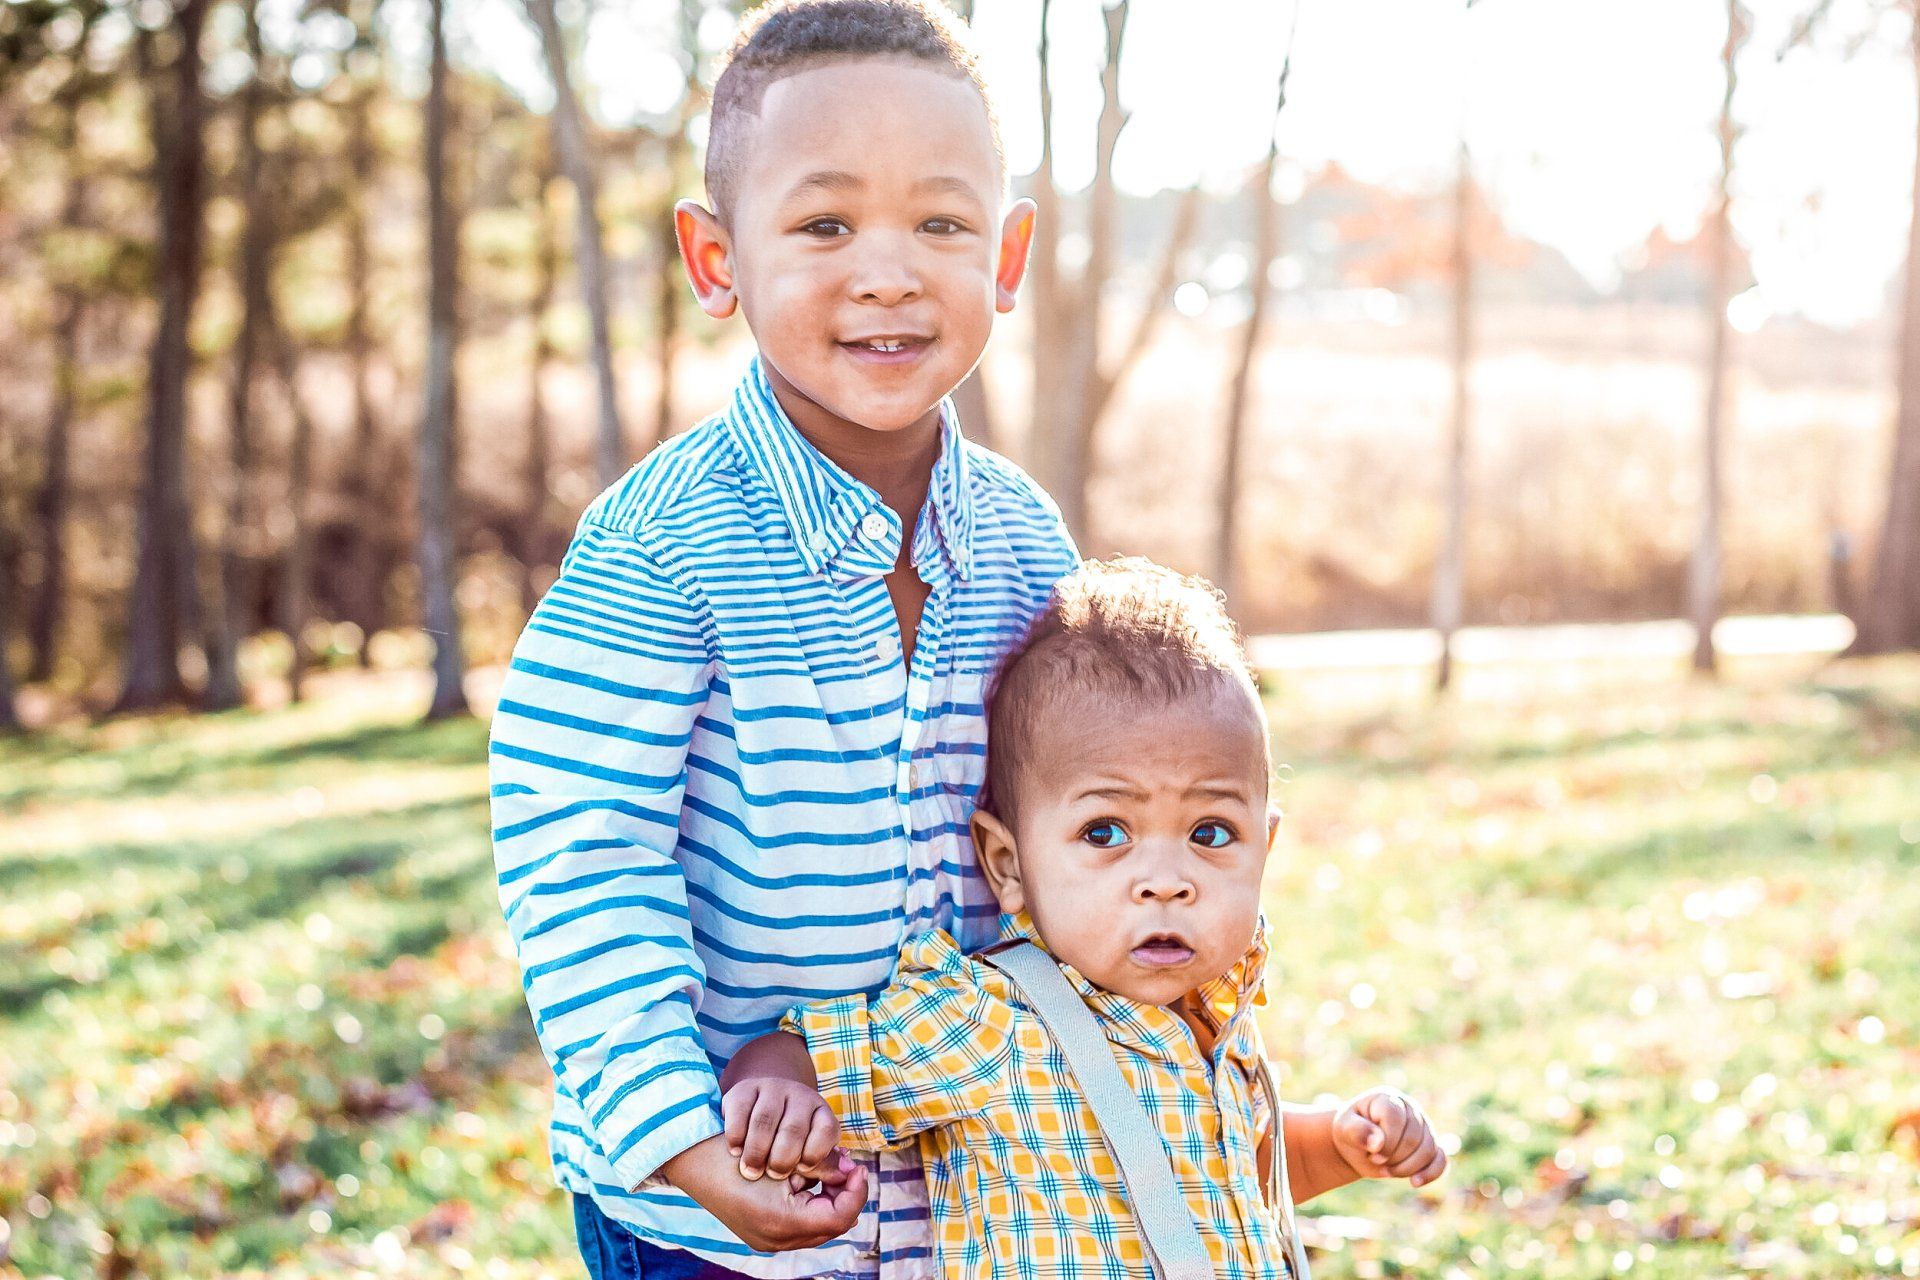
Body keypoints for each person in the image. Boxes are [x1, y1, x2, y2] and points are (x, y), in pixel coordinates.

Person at [488, 1, 1083, 1274]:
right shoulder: (661, 548)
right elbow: (580, 856)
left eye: (941, 221)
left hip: (980, 1210)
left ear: (1009, 255)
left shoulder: (1029, 548)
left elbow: (1084, 834)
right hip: (715, 1220)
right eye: (823, 225)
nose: (888, 271)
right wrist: (685, 1142)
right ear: (717, 261)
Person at [720, 559, 1449, 1278]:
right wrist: (776, 1086)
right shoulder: (991, 1018)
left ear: (1266, 844)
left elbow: (1225, 1180)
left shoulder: (1220, 1023)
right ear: (1007, 865)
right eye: (1106, 833)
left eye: (1210, 834)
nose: (1166, 883)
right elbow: (813, 1056)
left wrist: (1341, 1144)